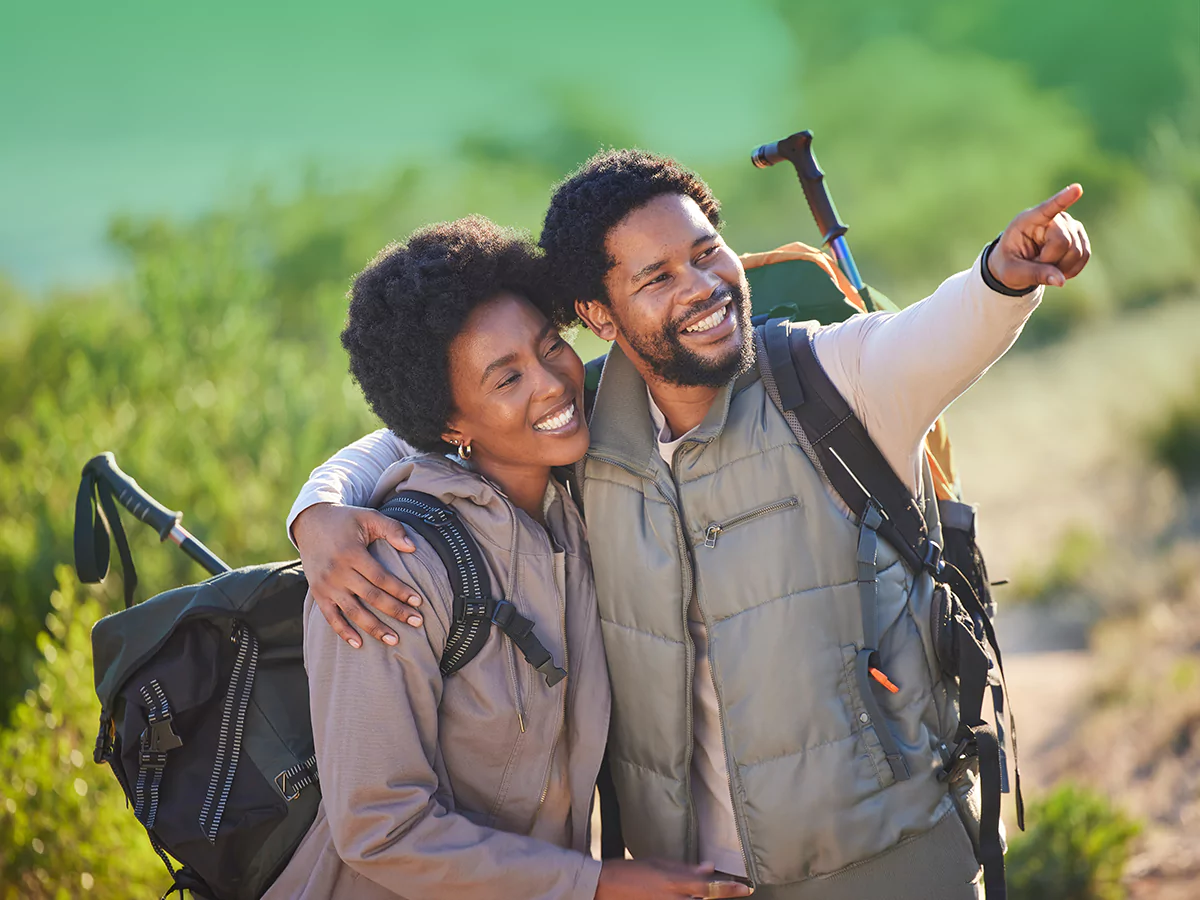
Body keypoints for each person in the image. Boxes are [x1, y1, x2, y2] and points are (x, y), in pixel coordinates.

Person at [288, 152, 1091, 899]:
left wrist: (1001, 278)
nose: (701, 286)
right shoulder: (503, 486)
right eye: (658, 277)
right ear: (602, 316)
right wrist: (320, 509)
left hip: (886, 856)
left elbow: (928, 337)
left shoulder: (800, 386)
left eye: (707, 253)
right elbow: (416, 429)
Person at [266, 215, 751, 900]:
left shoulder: (581, 507)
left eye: (550, 347)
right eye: (505, 379)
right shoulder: (391, 570)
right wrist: (594, 885)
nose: (552, 384)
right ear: (449, 424)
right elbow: (380, 827)